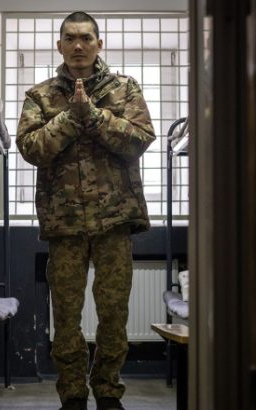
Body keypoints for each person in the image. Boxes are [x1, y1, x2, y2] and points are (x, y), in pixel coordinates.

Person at [16, 11, 156, 410]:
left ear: (99, 43)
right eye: (71, 38)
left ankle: (108, 391)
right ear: (59, 45)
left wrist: (92, 116)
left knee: (114, 313)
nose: (78, 45)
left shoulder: (125, 89)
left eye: (86, 38)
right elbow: (31, 148)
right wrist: (69, 117)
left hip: (114, 219)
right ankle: (73, 394)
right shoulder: (40, 96)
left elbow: (139, 140)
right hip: (65, 223)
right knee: (66, 315)